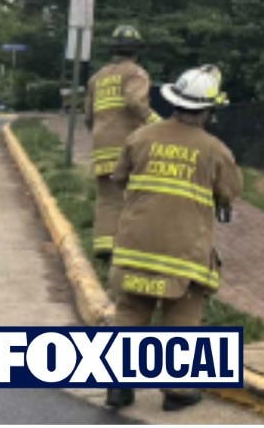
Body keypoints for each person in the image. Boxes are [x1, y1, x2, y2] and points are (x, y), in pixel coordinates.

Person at [104, 64, 241, 412]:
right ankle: (178, 390)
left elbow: (119, 178)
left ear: (175, 102)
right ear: (209, 110)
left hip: (135, 246)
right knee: (182, 312)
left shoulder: (140, 137)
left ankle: (118, 387)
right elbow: (230, 191)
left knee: (131, 311)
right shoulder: (215, 150)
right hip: (183, 253)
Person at [84, 25, 160, 263]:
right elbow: (134, 102)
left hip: (101, 143)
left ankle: (104, 247)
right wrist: (158, 124)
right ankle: (131, 248)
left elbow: (88, 115)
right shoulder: (136, 74)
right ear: (136, 51)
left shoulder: (97, 78)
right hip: (127, 145)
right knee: (136, 196)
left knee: (107, 197)